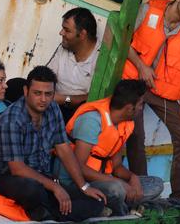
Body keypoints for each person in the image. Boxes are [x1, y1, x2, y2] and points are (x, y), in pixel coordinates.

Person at [123, 0, 180, 216]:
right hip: (136, 86)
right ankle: (144, 192)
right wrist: (141, 66)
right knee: (135, 135)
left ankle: (179, 194)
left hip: (164, 91)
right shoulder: (148, 10)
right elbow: (122, 41)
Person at [0, 66, 106, 222]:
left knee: (96, 201)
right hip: (8, 178)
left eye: (48, 94)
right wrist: (55, 187)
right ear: (26, 91)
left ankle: (47, 211)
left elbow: (64, 149)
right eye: (37, 93)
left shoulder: (53, 109)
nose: (43, 99)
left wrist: (84, 186)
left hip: (42, 179)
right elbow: (17, 169)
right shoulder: (12, 119)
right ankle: (53, 210)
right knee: (33, 190)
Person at [60, 79, 164, 216]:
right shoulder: (91, 121)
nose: (141, 108)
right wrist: (119, 183)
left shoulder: (123, 123)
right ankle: (119, 209)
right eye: (140, 104)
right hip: (78, 184)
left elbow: (117, 167)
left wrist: (133, 178)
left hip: (103, 181)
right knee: (117, 190)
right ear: (129, 108)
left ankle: (109, 206)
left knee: (156, 184)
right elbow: (78, 167)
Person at [46, 7, 100, 122]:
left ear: (82, 35)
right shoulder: (64, 47)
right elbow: (47, 75)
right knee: (17, 85)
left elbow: (93, 98)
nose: (61, 33)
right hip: (53, 103)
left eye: (67, 30)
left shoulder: (100, 57)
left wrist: (63, 99)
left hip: (79, 114)